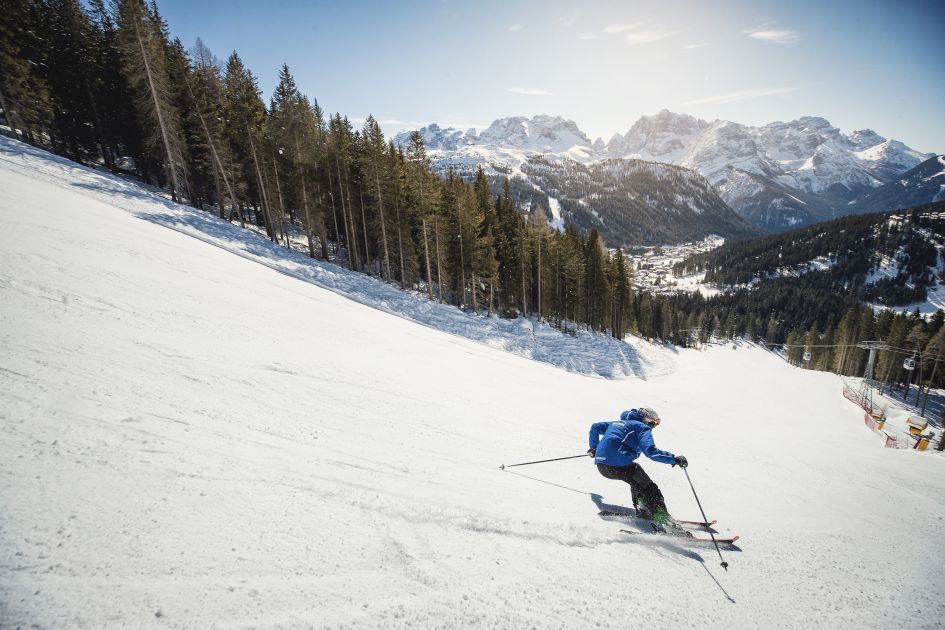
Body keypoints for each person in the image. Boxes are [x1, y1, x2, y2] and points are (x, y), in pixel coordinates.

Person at [587, 407, 688, 531]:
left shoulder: (616, 423)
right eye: (653, 423)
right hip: (617, 464)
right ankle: (663, 518)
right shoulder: (642, 427)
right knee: (648, 485)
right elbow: (651, 452)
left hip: (602, 466)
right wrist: (674, 459)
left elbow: (595, 427)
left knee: (635, 478)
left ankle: (643, 507)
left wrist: (594, 448)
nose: (653, 426)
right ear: (646, 419)